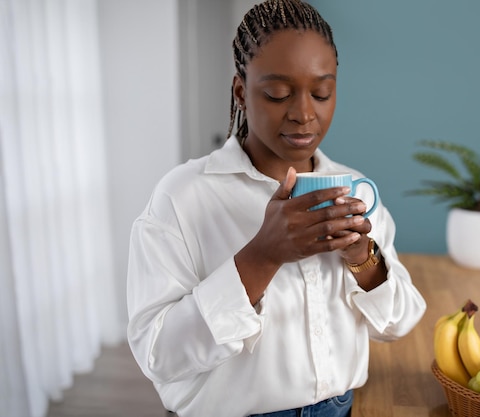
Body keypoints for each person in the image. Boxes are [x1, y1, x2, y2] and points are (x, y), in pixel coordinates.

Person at [126, 1, 426, 416]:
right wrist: (262, 256)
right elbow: (157, 354)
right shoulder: (182, 198)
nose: (304, 114)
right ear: (240, 93)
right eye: (277, 94)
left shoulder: (354, 189)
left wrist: (362, 256)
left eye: (322, 93)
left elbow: (399, 323)